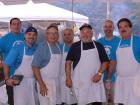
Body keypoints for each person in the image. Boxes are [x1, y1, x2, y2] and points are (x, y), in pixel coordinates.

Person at [65, 23, 109, 105]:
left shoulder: (99, 46)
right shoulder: (75, 46)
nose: (85, 35)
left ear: (92, 33)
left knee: (96, 102)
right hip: (80, 83)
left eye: (88, 32)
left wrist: (99, 74)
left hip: (95, 82)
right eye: (83, 33)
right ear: (80, 34)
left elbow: (105, 62)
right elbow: (68, 63)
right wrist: (68, 78)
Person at [3, 27, 38, 105]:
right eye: (29, 34)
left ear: (36, 37)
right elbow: (6, 64)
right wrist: (7, 79)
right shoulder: (18, 48)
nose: (32, 36)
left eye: (34, 35)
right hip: (20, 82)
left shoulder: (37, 48)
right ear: (25, 35)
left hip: (33, 82)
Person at [32, 25, 62, 105]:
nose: (53, 36)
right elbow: (35, 67)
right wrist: (41, 85)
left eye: (55, 33)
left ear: (58, 35)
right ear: (46, 35)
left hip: (57, 82)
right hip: (45, 83)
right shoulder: (42, 47)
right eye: (50, 33)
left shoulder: (58, 46)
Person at [114, 18, 140, 105]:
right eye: (120, 27)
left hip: (135, 81)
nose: (123, 29)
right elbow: (114, 61)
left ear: (130, 28)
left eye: (125, 26)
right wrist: (109, 78)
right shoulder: (117, 42)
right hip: (120, 81)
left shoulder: (138, 41)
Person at [0, 18, 24, 105]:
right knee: (12, 100)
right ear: (10, 26)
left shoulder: (25, 37)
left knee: (24, 100)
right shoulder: (4, 39)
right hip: (10, 75)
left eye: (18, 24)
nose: (16, 26)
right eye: (14, 24)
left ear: (21, 25)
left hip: (25, 75)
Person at [97, 20, 120, 104]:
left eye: (110, 26)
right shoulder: (98, 42)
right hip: (101, 77)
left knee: (116, 101)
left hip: (116, 77)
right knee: (103, 101)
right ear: (103, 28)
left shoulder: (119, 41)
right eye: (106, 26)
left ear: (113, 28)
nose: (108, 28)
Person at [60, 28, 77, 105]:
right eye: (65, 35)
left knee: (75, 100)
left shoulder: (78, 47)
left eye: (69, 34)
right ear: (62, 36)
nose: (67, 36)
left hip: (76, 79)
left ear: (73, 35)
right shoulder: (59, 47)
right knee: (63, 101)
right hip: (62, 79)